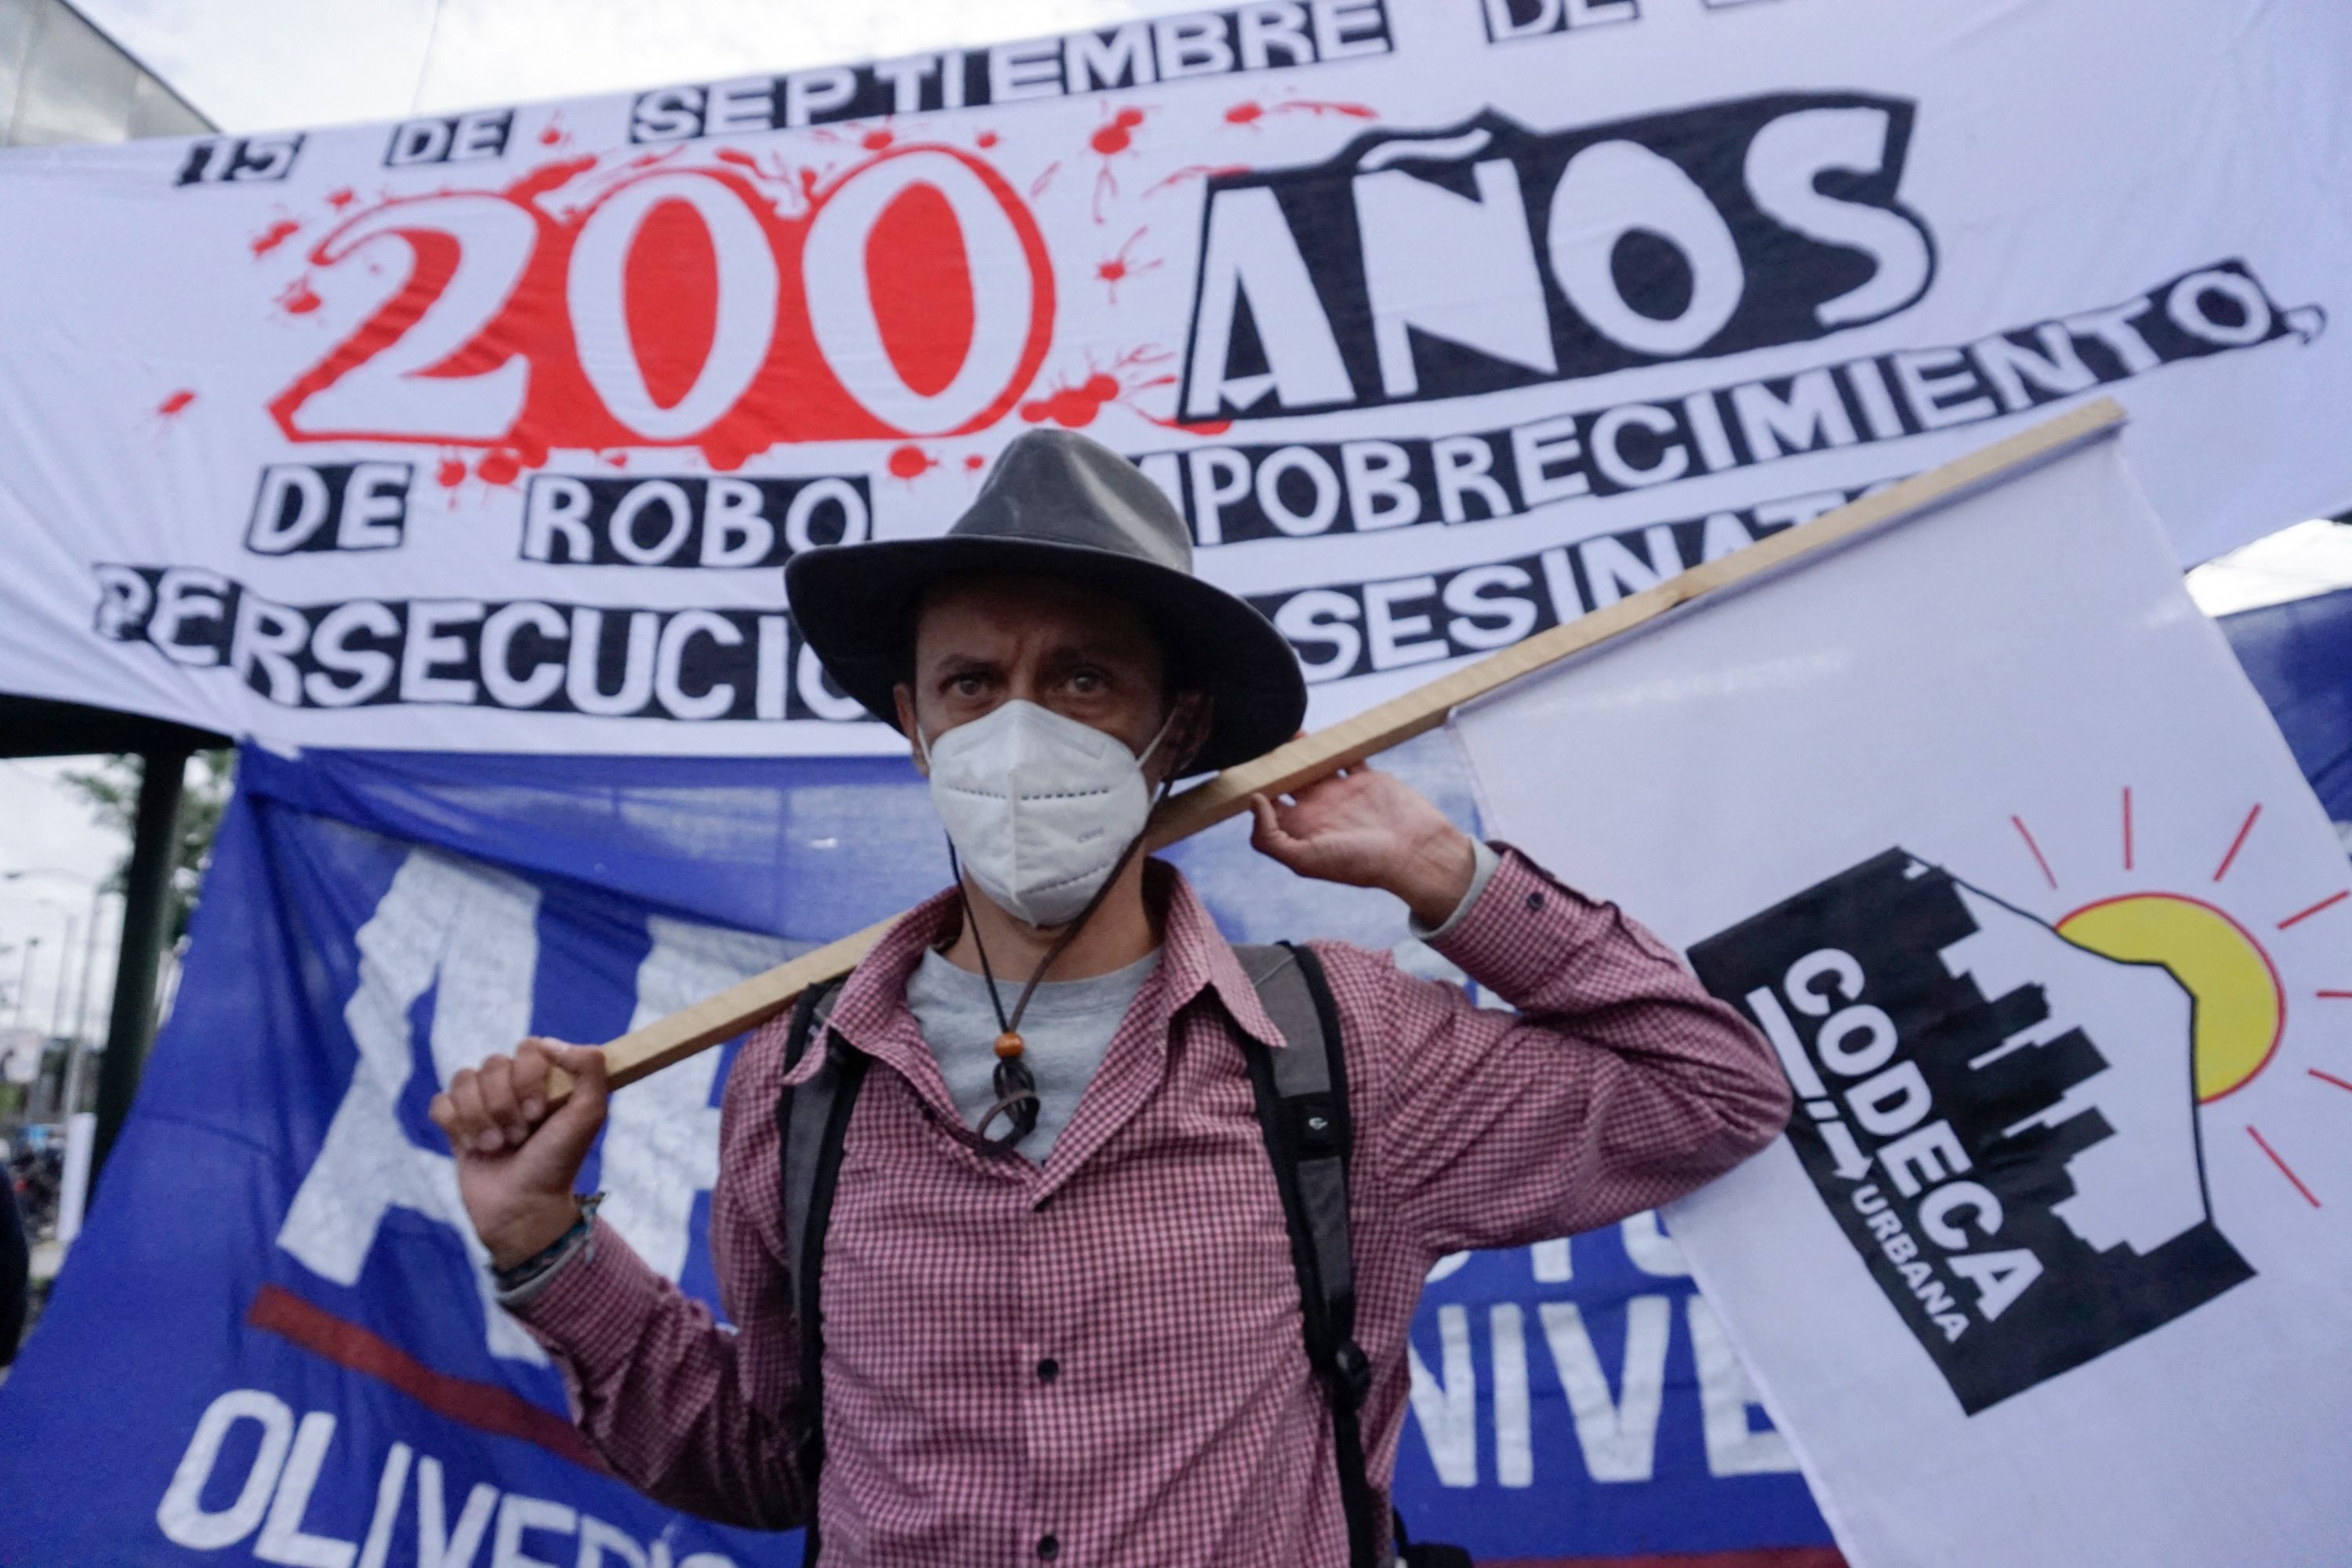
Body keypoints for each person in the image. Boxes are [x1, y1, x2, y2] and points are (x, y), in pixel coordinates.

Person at [432, 430, 1791, 1566]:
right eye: (975, 682)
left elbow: (1713, 1091)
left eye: (1081, 677)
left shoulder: (1342, 1049)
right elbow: (767, 1462)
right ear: (915, 724)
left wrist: (1450, 875)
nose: (1021, 725)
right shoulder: (798, 1078)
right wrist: (544, 1243)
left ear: (1177, 727)